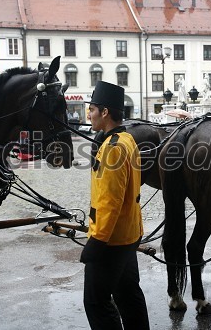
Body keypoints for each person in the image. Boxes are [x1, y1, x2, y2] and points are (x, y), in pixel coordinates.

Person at [81, 80, 150, 330]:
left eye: (92, 109)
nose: (89, 114)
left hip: (110, 241)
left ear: (105, 112)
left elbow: (110, 202)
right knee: (129, 296)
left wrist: (96, 243)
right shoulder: (126, 139)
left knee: (97, 303)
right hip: (128, 234)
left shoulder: (113, 148)